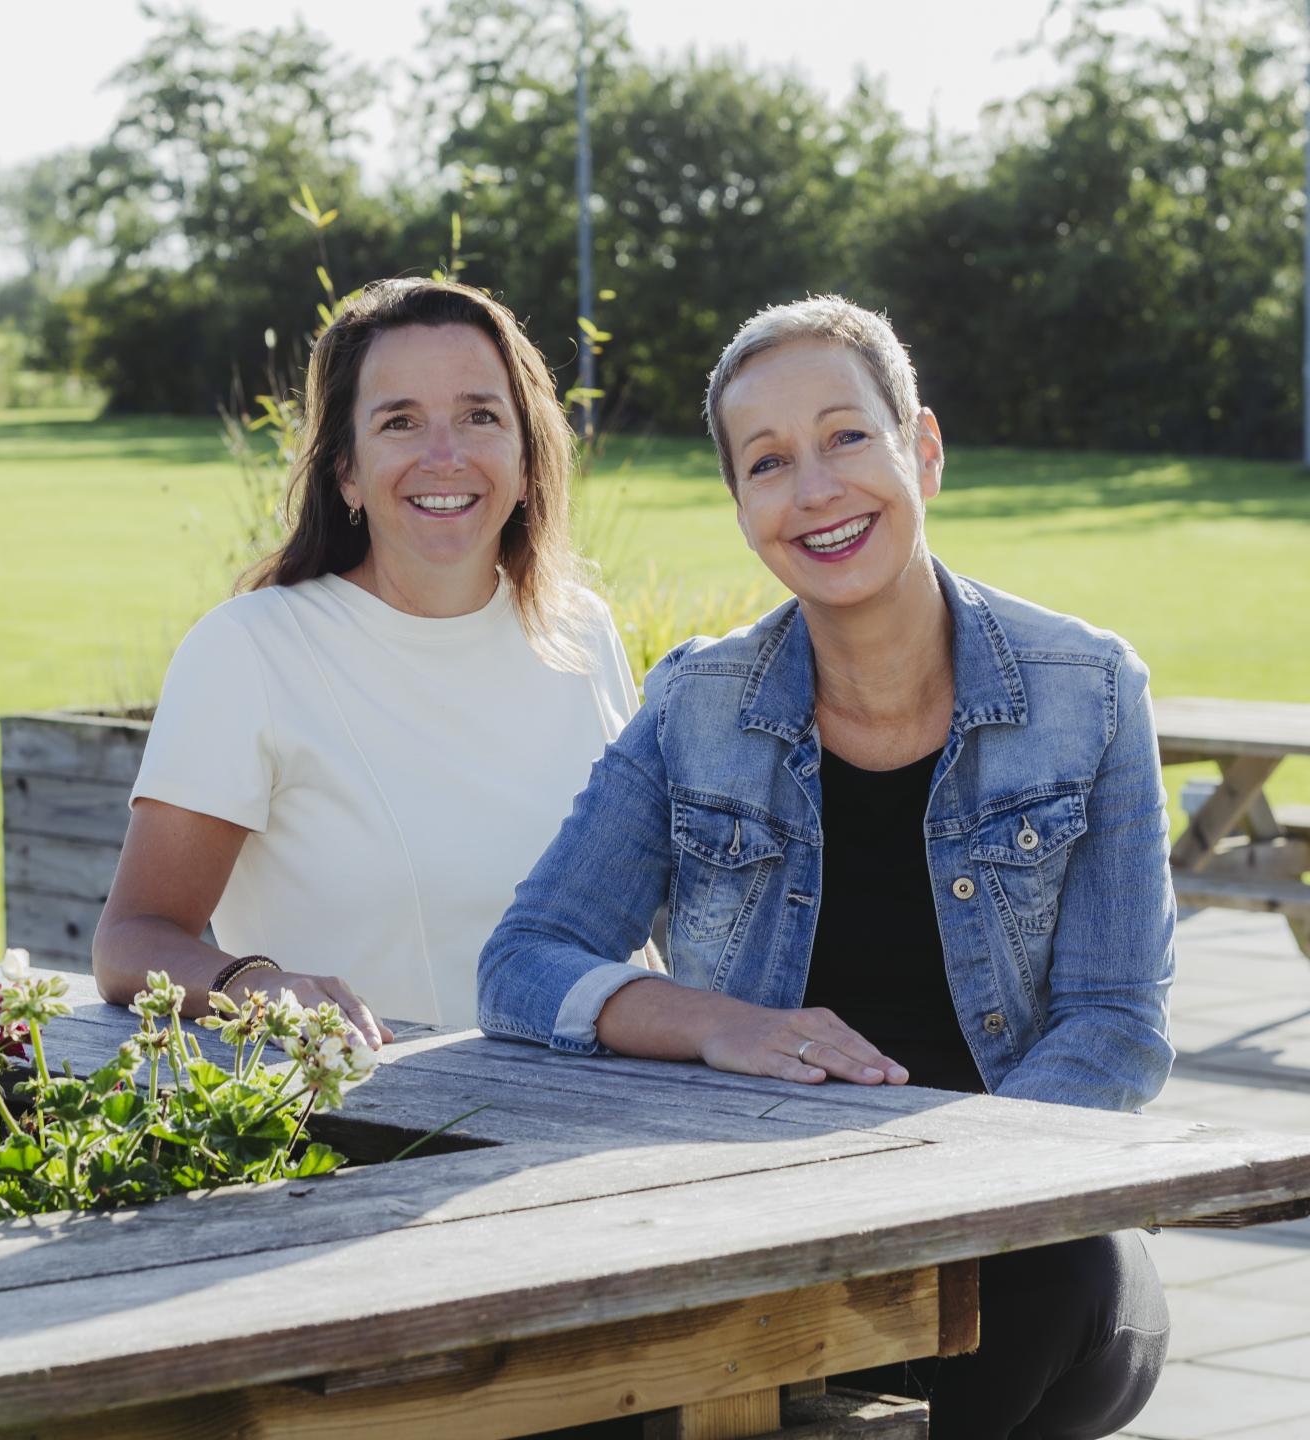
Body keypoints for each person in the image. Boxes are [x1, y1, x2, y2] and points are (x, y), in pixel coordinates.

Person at [478, 294, 1174, 1438]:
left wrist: (926, 1187)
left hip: (1020, 1220)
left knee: (1049, 1278)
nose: (814, 489)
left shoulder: (1090, 690)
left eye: (847, 436)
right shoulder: (696, 703)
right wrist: (718, 1023)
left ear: (923, 450)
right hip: (764, 1220)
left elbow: (1117, 1024)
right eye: (767, 461)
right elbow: (523, 963)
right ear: (741, 506)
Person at [93, 278, 642, 1044]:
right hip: (372, 1111)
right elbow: (131, 941)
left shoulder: (581, 632)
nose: (445, 456)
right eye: (400, 422)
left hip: (612, 1106)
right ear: (346, 469)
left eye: (480, 416)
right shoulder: (250, 652)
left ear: (527, 460)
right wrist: (257, 986)